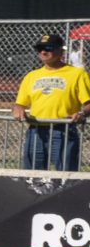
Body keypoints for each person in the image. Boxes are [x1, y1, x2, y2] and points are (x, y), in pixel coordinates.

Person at [13, 33, 90, 172]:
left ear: (61, 51)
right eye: (39, 48)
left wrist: (81, 113)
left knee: (66, 176)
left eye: (48, 47)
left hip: (64, 129)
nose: (43, 51)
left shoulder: (77, 74)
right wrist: (18, 109)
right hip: (36, 130)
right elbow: (20, 103)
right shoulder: (31, 76)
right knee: (33, 175)